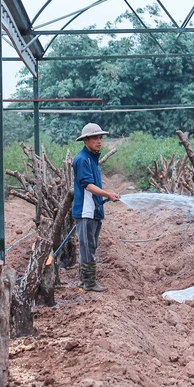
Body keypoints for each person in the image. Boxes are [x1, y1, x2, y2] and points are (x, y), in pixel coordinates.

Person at [72, 122, 120, 292]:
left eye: (100, 137)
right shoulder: (82, 159)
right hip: (86, 211)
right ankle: (89, 282)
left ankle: (84, 279)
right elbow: (88, 185)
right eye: (94, 138)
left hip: (94, 210)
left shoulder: (92, 158)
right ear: (85, 140)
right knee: (87, 246)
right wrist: (108, 194)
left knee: (90, 245)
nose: (99, 141)